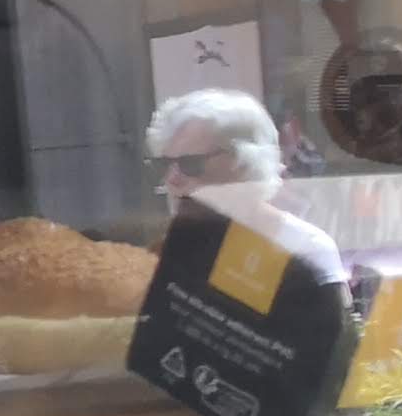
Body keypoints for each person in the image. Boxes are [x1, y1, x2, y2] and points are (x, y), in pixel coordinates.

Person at [146, 87, 347, 288]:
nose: (172, 178)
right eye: (163, 164)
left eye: (191, 163)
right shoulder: (171, 249)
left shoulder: (305, 249)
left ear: (244, 163)